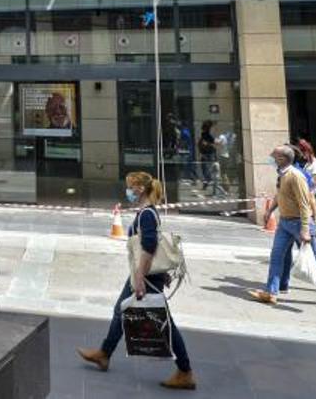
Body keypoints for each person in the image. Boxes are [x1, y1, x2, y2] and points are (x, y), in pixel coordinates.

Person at [78, 171, 195, 391]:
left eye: (131, 187)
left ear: (140, 189)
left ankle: (185, 371)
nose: (128, 191)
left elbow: (149, 247)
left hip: (145, 277)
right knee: (121, 311)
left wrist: (141, 277)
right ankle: (104, 353)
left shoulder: (147, 214)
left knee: (165, 324)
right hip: (145, 274)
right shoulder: (146, 212)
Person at [248, 145, 316, 307]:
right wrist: (270, 210)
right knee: (276, 256)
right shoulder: (282, 174)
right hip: (285, 223)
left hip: (299, 223)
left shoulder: (295, 176)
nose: (271, 157)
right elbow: (280, 195)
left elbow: (304, 204)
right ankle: (270, 292)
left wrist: (306, 229)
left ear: (281, 159)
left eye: (274, 155)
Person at [196, 121, 217, 187]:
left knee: (207, 168)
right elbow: (200, 144)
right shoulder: (204, 135)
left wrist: (206, 144)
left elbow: (213, 144)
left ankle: (207, 180)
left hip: (208, 153)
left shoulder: (207, 135)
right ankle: (207, 180)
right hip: (206, 153)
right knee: (205, 168)